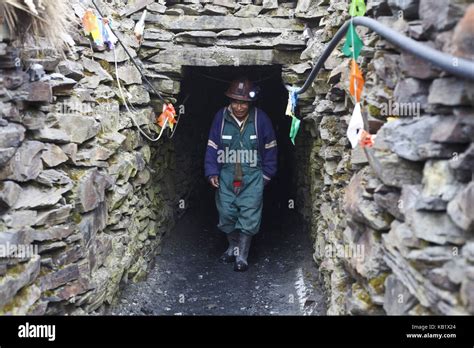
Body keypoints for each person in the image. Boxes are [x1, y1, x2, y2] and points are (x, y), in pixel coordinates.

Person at [204, 77, 278, 272]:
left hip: (253, 174)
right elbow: (212, 145)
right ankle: (232, 247)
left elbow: (271, 148)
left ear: (250, 103)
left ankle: (242, 257)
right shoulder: (221, 118)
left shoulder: (260, 119)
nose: (239, 107)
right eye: (236, 101)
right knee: (226, 212)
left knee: (249, 214)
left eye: (244, 102)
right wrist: (212, 170)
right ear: (229, 100)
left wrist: (267, 175)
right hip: (227, 173)